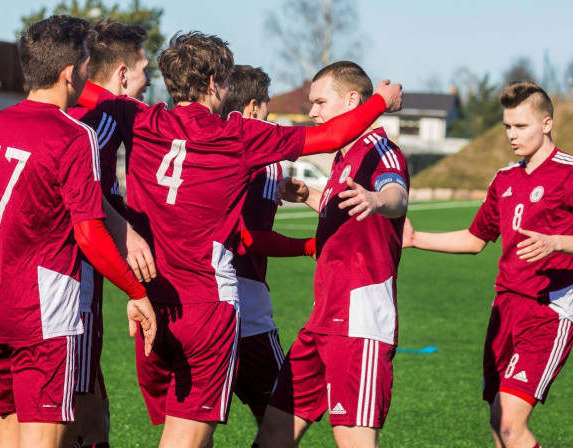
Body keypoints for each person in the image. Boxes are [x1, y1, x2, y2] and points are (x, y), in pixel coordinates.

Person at [77, 32, 403, 448]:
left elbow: (76, 88)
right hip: (206, 304)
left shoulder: (136, 117)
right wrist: (380, 101)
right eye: (227, 82)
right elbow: (330, 138)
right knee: (186, 437)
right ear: (214, 83)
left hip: (149, 301)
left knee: (182, 431)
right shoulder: (238, 134)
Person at [0, 16, 156, 448]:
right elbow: (89, 235)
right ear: (71, 71)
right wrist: (137, 293)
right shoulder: (75, 135)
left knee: (6, 438)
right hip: (43, 311)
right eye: (86, 62)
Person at [402, 80, 573, 448]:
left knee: (511, 425)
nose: (512, 136)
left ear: (547, 123)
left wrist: (555, 242)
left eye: (521, 126)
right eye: (507, 127)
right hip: (505, 308)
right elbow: (474, 240)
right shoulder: (505, 178)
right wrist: (417, 239)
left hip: (551, 308)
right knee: (500, 426)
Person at [255, 61, 409, 448]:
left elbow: (397, 195)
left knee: (354, 441)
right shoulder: (344, 157)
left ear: (353, 100)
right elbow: (342, 209)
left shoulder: (381, 152)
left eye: (321, 102)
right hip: (322, 318)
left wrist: (377, 199)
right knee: (274, 434)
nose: (313, 112)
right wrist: (309, 196)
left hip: (358, 322)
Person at [64, 18, 155, 448]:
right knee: (76, 405)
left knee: (95, 406)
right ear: (122, 75)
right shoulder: (97, 119)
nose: (149, 84)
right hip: (73, 277)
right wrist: (125, 230)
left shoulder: (91, 114)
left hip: (82, 275)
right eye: (145, 73)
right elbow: (78, 197)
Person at [219, 65, 316, 440]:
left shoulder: (206, 140)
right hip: (245, 300)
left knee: (193, 421)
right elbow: (251, 239)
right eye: (267, 107)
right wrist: (309, 245)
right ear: (256, 107)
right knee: (282, 417)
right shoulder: (263, 152)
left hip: (190, 294)